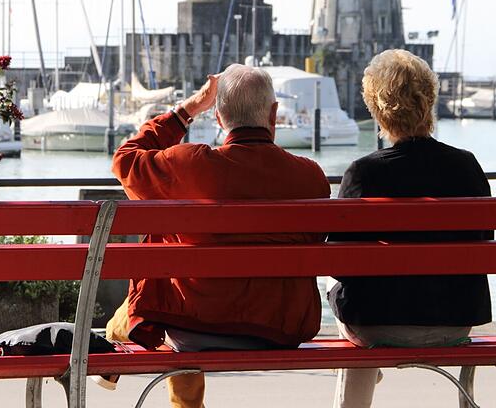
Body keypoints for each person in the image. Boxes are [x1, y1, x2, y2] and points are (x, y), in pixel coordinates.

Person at [109, 64, 331, 408]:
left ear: (218, 116)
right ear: (273, 114)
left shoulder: (189, 166)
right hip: (281, 329)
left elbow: (124, 161)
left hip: (194, 328)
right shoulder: (310, 177)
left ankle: (117, 336)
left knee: (168, 254)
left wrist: (188, 108)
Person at [328, 49, 492, 408]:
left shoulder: (363, 172)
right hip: (456, 321)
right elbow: (484, 244)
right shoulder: (467, 167)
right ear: (430, 101)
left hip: (377, 326)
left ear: (377, 109)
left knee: (339, 286)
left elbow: (337, 261)